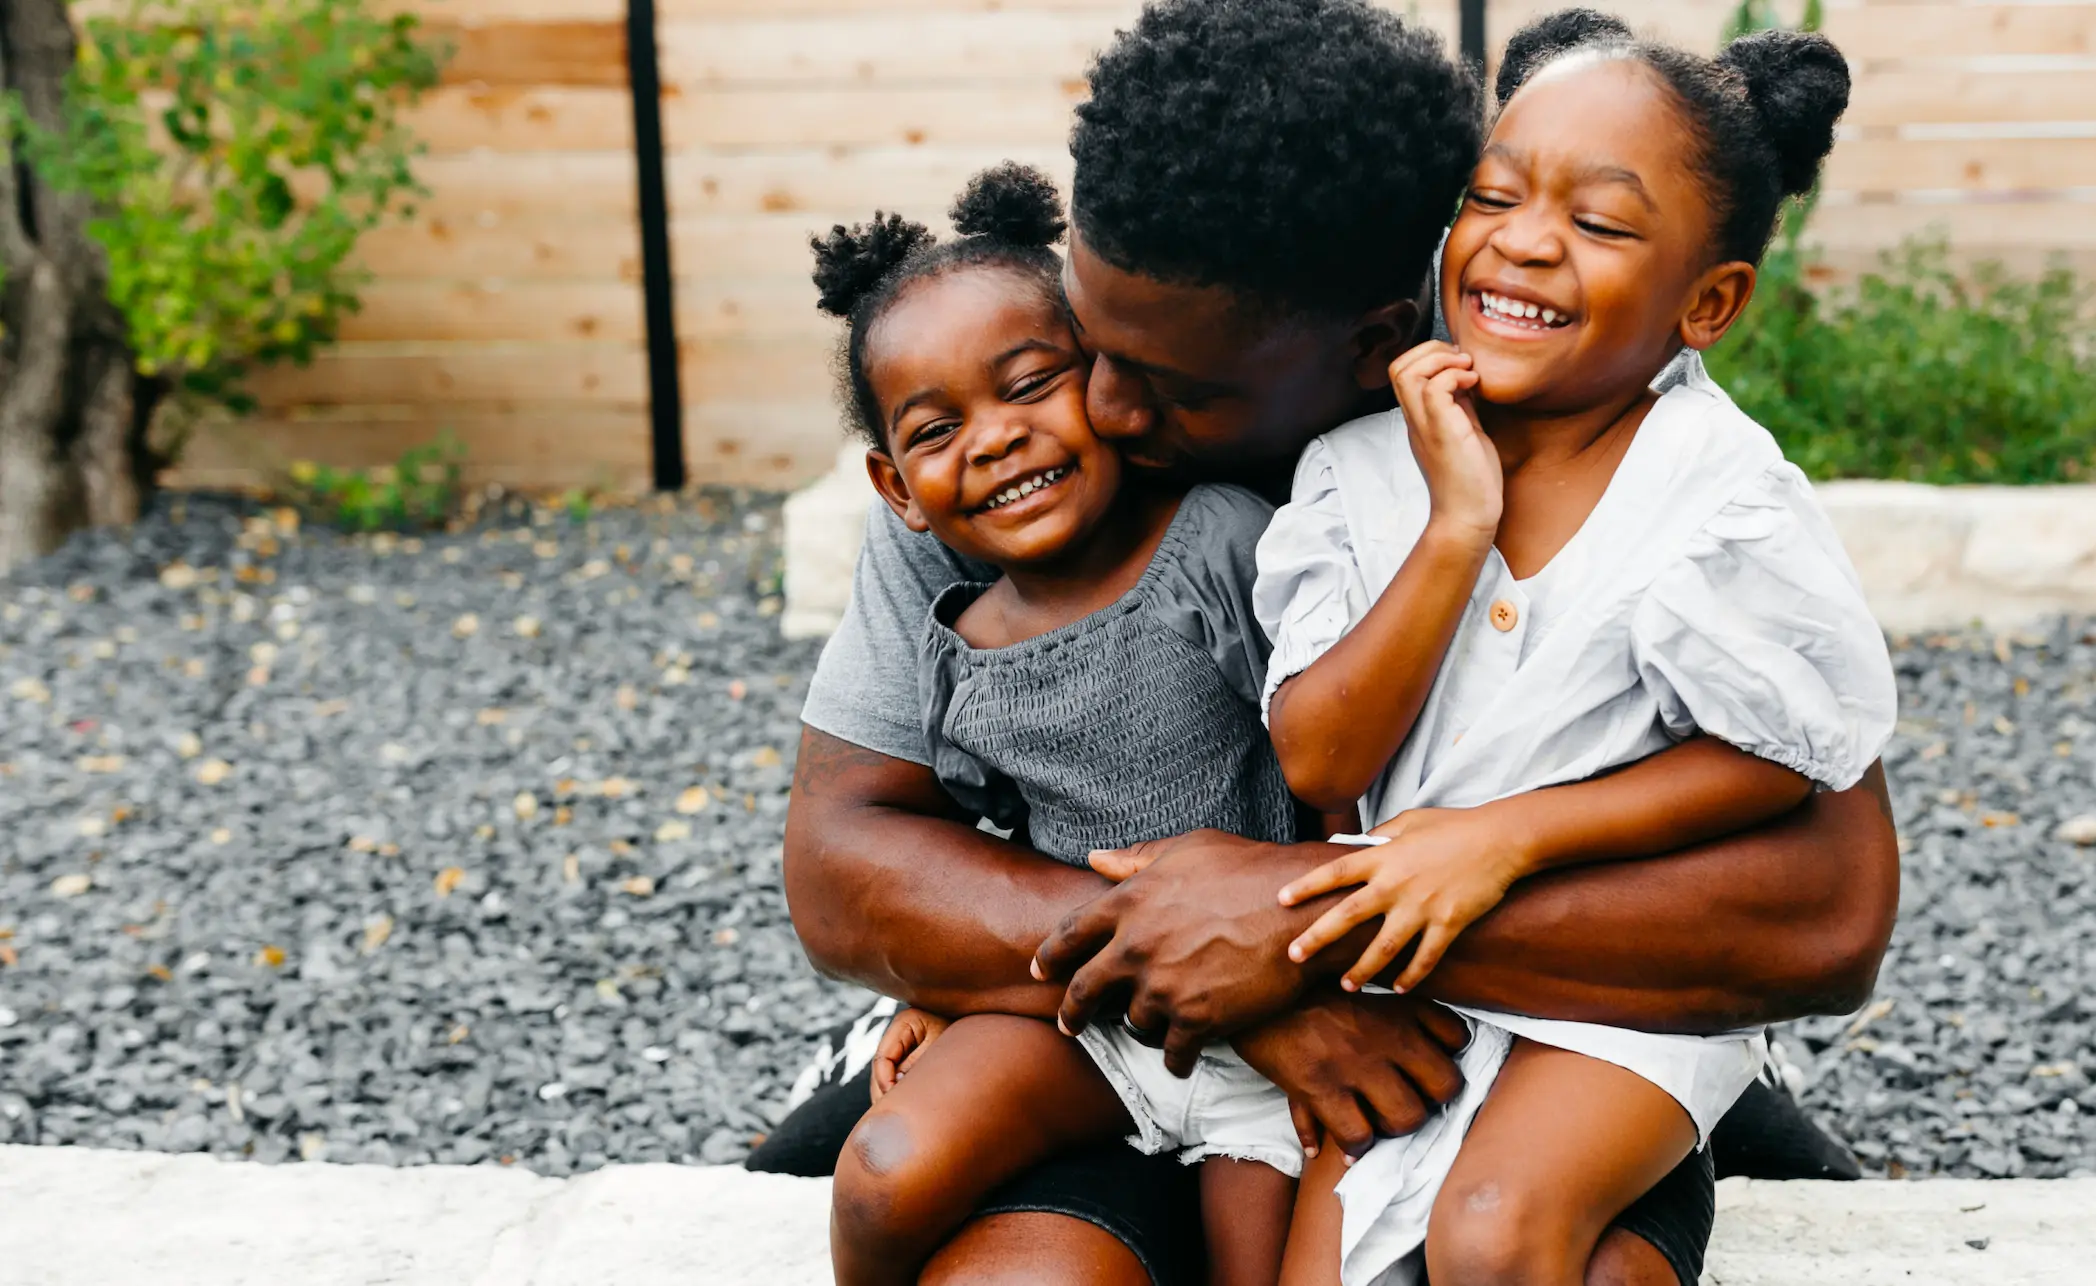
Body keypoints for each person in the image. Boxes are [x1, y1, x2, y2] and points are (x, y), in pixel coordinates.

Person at [756, 3, 1899, 1283]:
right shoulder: (1011, 430)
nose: (1106, 406)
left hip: (1497, 1023)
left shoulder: (1549, 397)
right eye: (1089, 342)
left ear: (1374, 347)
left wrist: (1299, 935)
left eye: (1181, 388)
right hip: (1110, 1018)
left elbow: (1829, 911)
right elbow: (843, 859)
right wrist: (1248, 975)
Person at [1250, 23, 1885, 1285]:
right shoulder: (1359, 474)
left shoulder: (1717, 500)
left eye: (1599, 224)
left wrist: (1508, 834)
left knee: (1495, 1230)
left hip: (1616, 998)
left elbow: (1780, 755)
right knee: (1321, 1264)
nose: (1525, 240)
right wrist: (1456, 525)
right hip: (1407, 985)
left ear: (1707, 302)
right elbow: (1321, 749)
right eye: (1492, 196)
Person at [808, 163, 1306, 1286]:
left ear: (1108, 380)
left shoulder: (1215, 543)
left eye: (1031, 385)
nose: (992, 440)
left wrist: (1317, 950)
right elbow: (969, 841)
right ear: (894, 487)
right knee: (886, 1163)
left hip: (1263, 986)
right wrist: (939, 986)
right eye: (940, 430)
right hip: (1084, 1004)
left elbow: (1331, 755)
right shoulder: (954, 634)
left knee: (1261, 1262)